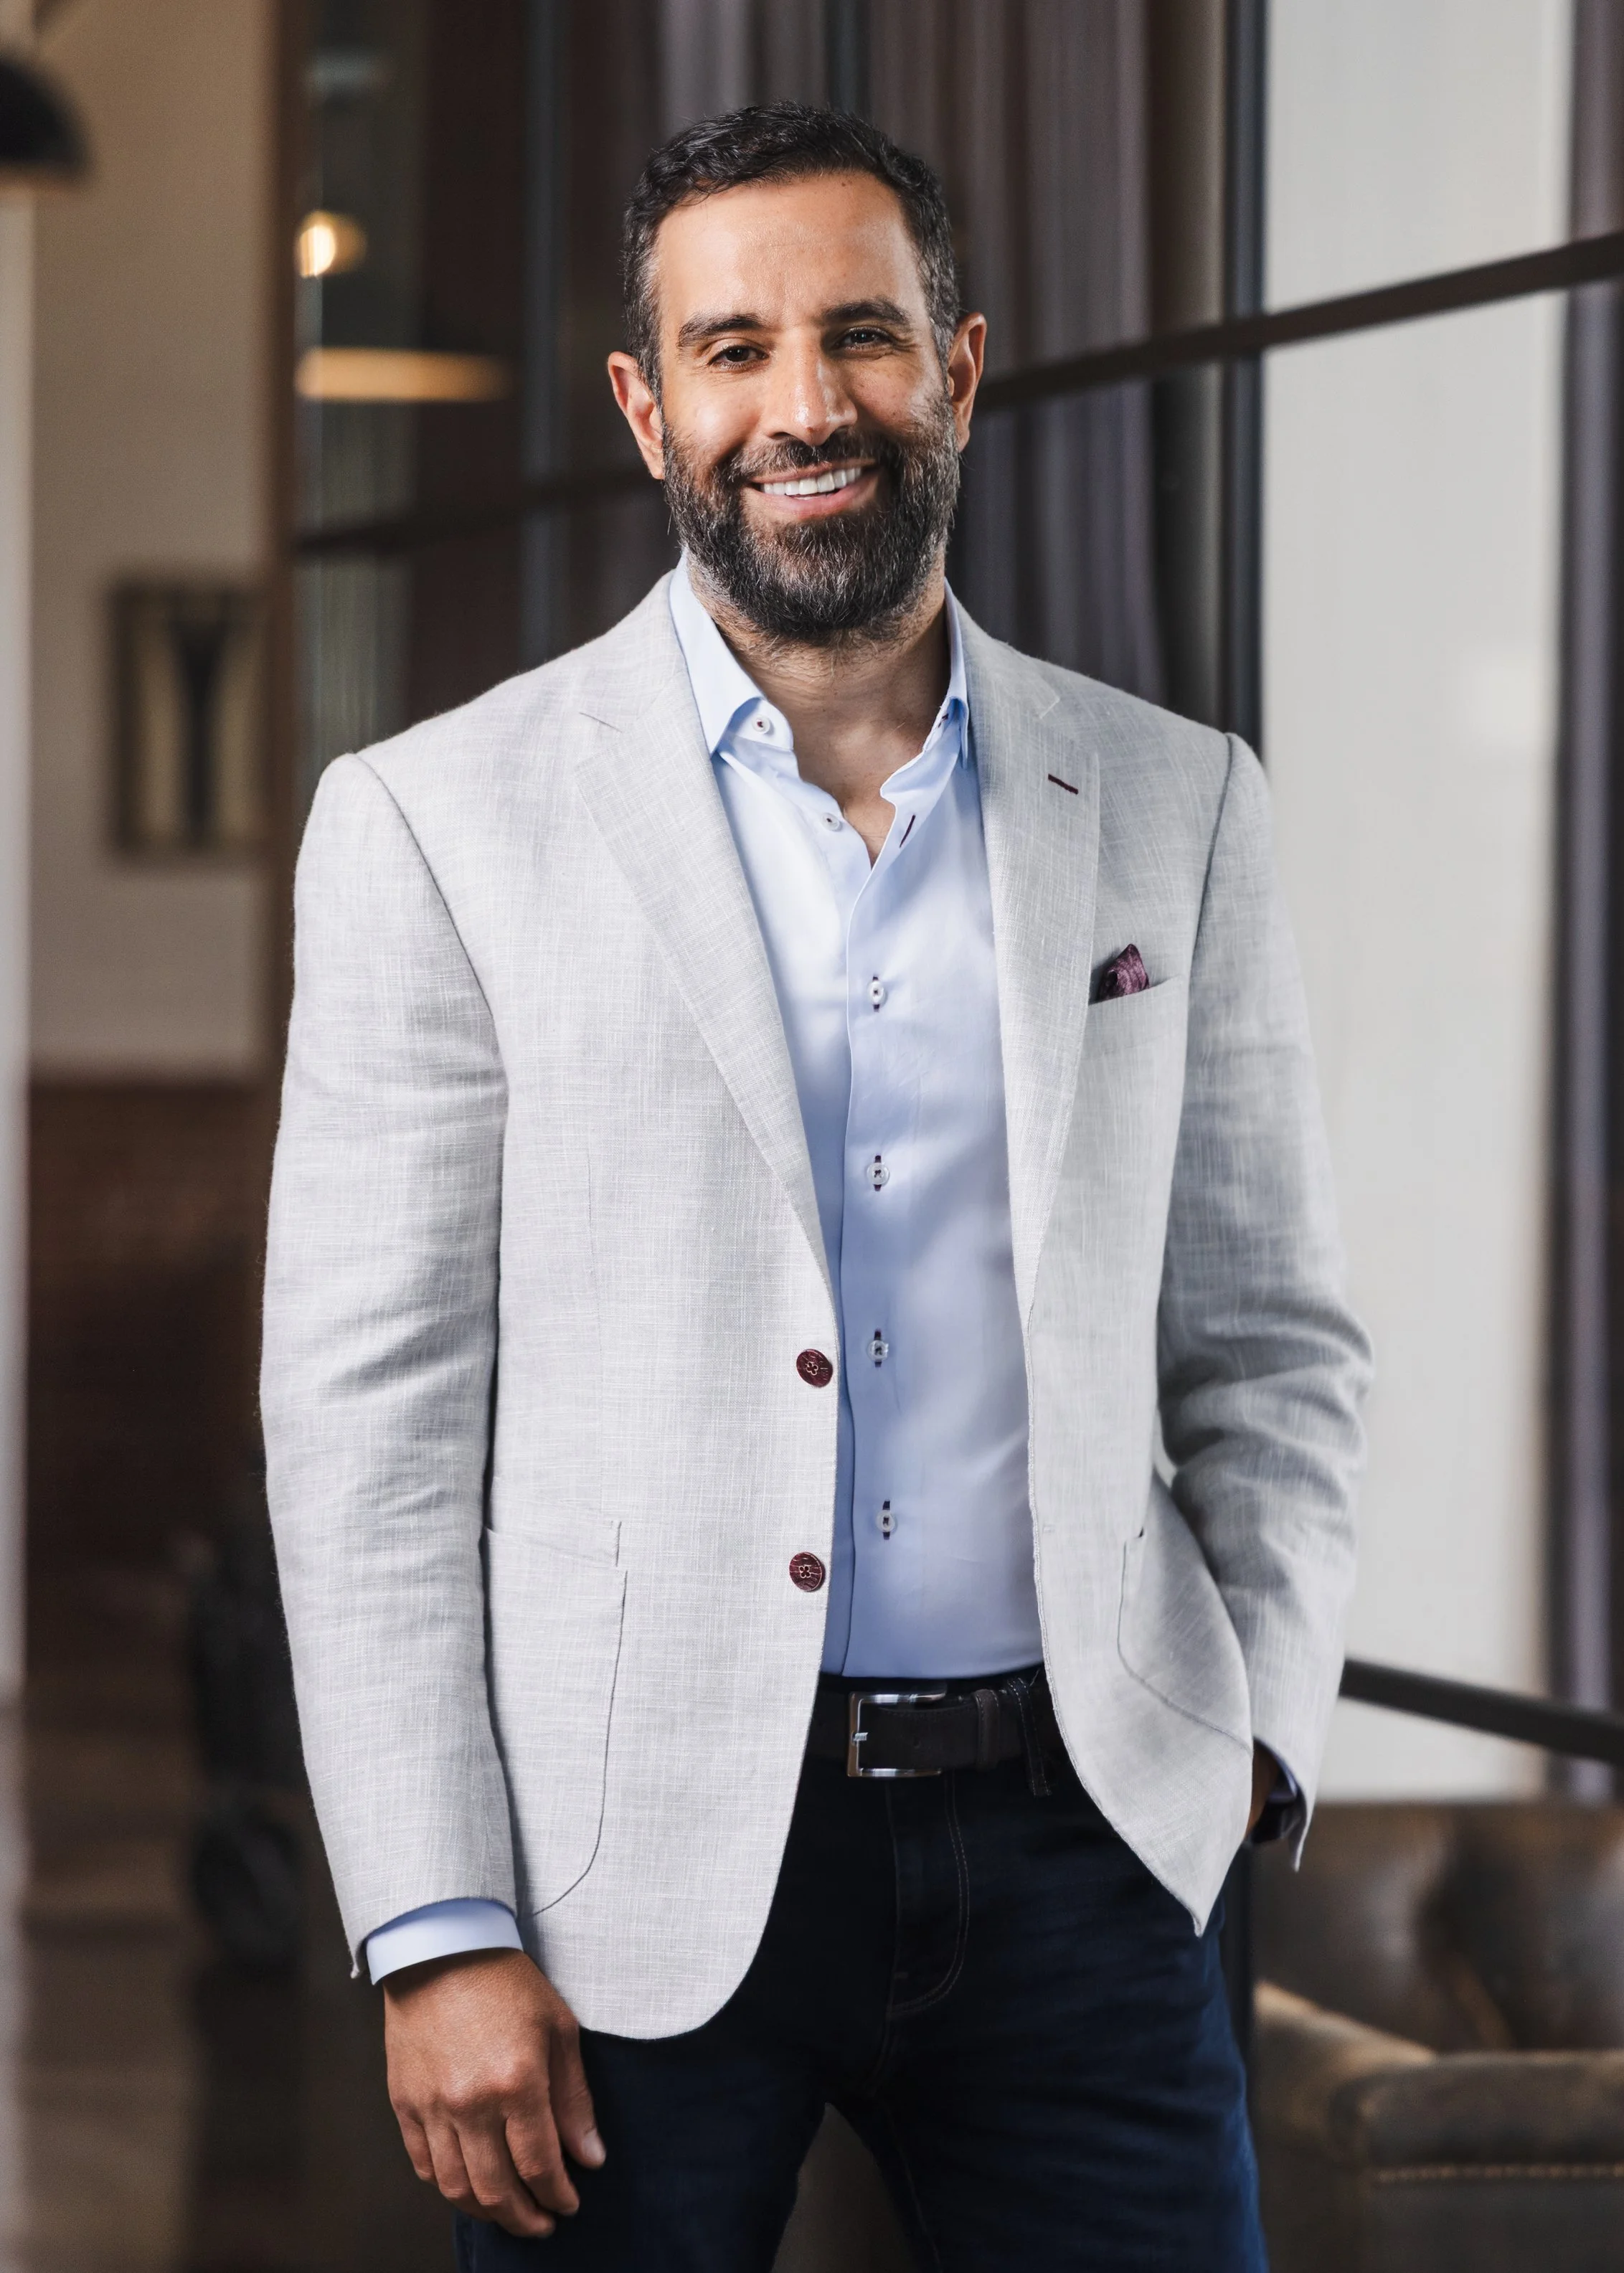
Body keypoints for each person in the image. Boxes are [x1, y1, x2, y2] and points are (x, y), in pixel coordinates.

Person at [262, 102, 1370, 2272]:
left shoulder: (1175, 804)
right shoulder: (436, 823)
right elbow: (369, 1431)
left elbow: (1275, 1339)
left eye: (862, 335)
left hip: (1088, 1852)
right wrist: (434, 1923)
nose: (805, 404)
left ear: (958, 366)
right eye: (736, 346)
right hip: (625, 1891)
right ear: (647, 403)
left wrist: (1248, 1739)